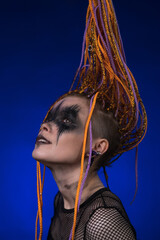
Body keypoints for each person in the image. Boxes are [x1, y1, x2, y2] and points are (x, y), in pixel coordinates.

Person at [32, 0, 147, 239]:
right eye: (50, 118)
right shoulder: (63, 201)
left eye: (66, 122)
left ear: (97, 146)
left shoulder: (102, 219)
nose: (45, 125)